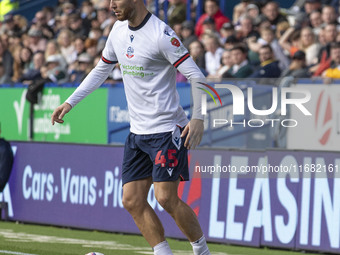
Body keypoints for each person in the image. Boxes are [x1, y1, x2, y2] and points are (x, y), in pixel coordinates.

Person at [51, 0, 210, 255]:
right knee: (132, 200)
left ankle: (202, 251)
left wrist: (199, 117)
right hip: (138, 133)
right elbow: (101, 69)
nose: (112, 5)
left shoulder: (162, 35)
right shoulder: (117, 30)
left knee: (165, 197)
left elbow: (197, 76)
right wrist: (70, 102)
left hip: (167, 130)